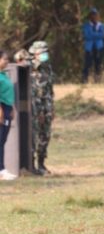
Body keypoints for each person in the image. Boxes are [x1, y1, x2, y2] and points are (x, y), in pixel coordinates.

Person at [28, 41, 55, 175]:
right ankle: (31, 165)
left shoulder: (47, 67)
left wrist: (51, 108)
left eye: (46, 51)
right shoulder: (29, 68)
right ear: (35, 53)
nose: (45, 54)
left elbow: (50, 89)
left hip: (47, 107)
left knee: (46, 136)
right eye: (42, 51)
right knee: (34, 136)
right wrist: (38, 111)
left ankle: (41, 163)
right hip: (35, 109)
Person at [0, 51, 17, 181]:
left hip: (6, 108)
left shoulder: (4, 75)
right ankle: (1, 170)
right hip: (1, 109)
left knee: (3, 140)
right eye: (4, 59)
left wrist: (11, 108)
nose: (7, 61)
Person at [82, 7, 104, 83]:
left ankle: (98, 80)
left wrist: (92, 34)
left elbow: (102, 35)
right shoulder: (86, 25)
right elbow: (87, 36)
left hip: (99, 47)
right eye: (92, 15)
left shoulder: (101, 25)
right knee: (87, 64)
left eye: (95, 15)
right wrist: (96, 35)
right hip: (89, 47)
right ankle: (84, 80)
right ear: (89, 16)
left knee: (98, 63)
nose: (94, 17)